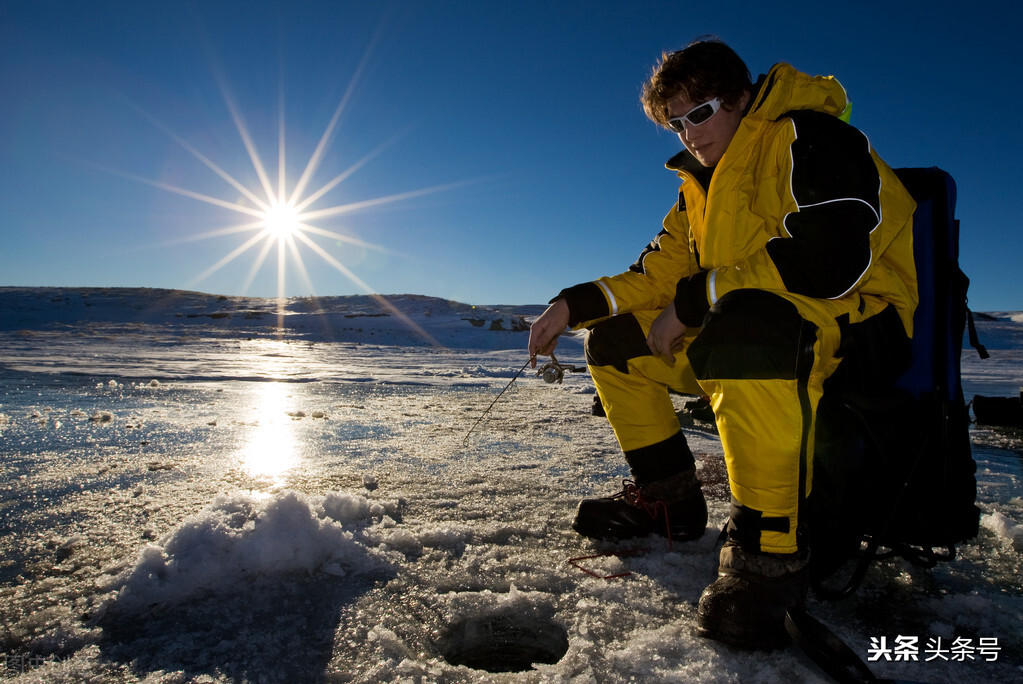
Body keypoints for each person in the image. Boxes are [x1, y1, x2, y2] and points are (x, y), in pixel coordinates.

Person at [527, 38, 917, 649]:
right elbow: (657, 272)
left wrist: (693, 302)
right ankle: (670, 502)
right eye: (675, 124)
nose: (688, 134)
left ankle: (769, 556)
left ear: (739, 97)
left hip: (857, 325)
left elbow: (830, 259)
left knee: (744, 329)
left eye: (699, 113)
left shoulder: (810, 139)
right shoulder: (698, 187)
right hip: (754, 326)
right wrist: (572, 304)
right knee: (614, 344)